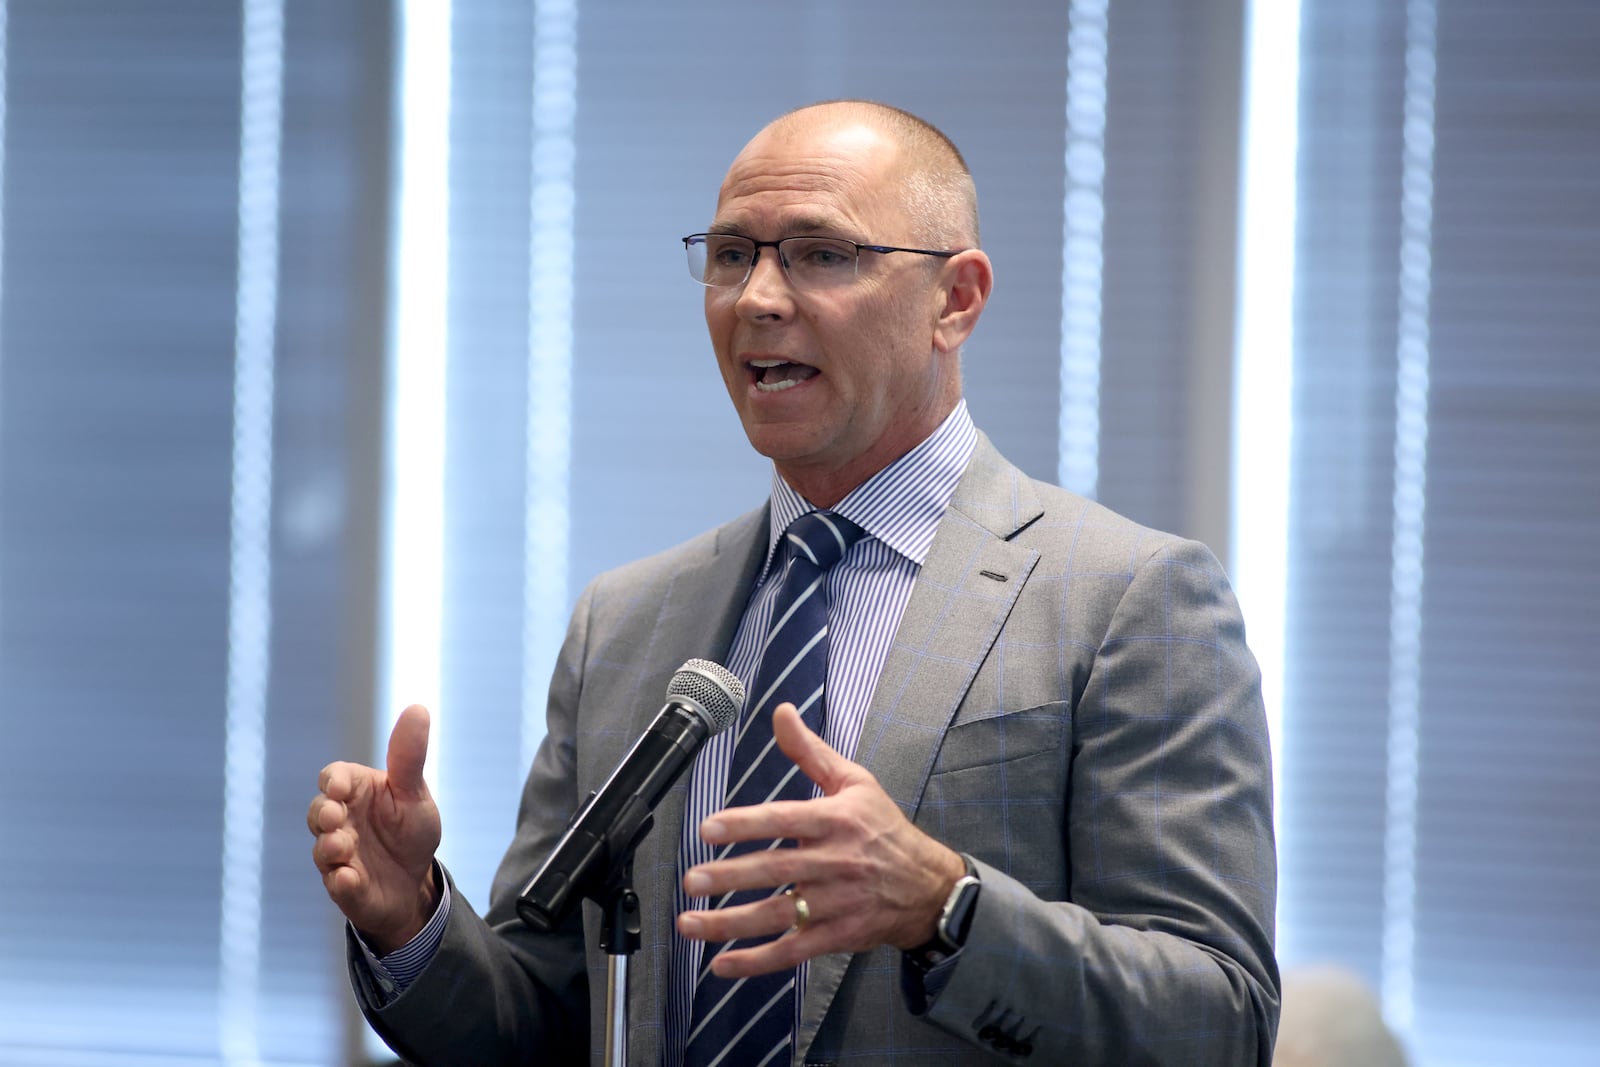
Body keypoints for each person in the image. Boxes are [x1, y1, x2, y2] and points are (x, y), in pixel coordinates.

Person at [309, 99, 1280, 1065]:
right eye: (732, 254)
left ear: (957, 299)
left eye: (820, 254)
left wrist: (943, 904)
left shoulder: (1129, 598)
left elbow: (1217, 1020)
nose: (758, 297)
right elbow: (547, 1021)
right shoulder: (629, 623)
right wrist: (414, 919)